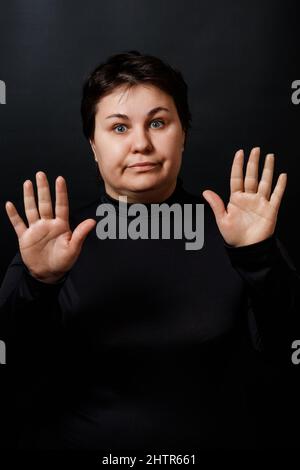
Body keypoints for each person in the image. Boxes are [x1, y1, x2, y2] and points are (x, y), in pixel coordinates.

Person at [0, 50, 299, 450]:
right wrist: (39, 283)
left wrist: (259, 258)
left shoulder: (237, 233)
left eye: (158, 123)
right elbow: (13, 365)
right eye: (119, 128)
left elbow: (286, 350)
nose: (141, 143)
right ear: (93, 143)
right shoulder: (56, 242)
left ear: (184, 133)